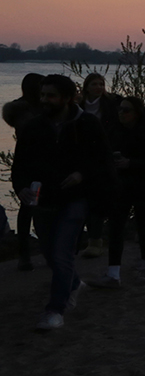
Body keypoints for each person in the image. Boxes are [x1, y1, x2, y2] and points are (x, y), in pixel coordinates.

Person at [12, 74, 113, 330]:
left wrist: (82, 174)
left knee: (62, 253)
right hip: (43, 200)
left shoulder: (87, 124)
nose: (45, 100)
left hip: (75, 199)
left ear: (67, 98)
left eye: (51, 96)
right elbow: (20, 163)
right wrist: (21, 187)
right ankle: (75, 282)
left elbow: (102, 160)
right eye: (43, 95)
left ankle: (55, 310)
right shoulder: (34, 127)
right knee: (50, 255)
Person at [92, 96, 145, 287]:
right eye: (120, 109)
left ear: (137, 113)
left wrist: (130, 163)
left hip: (144, 186)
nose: (121, 113)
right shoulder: (114, 131)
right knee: (115, 228)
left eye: (126, 110)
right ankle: (113, 273)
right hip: (120, 186)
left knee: (143, 227)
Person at [4, 72, 46, 271]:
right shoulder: (33, 111)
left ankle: (26, 254)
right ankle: (29, 253)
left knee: (29, 208)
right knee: (32, 208)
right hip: (35, 164)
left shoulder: (23, 111)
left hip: (30, 163)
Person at [78, 73, 122, 259]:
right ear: (86, 87)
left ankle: (97, 240)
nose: (98, 87)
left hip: (106, 152)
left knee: (101, 197)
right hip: (82, 153)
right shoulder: (77, 106)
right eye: (94, 84)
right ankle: (87, 238)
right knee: (84, 198)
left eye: (101, 84)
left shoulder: (113, 103)